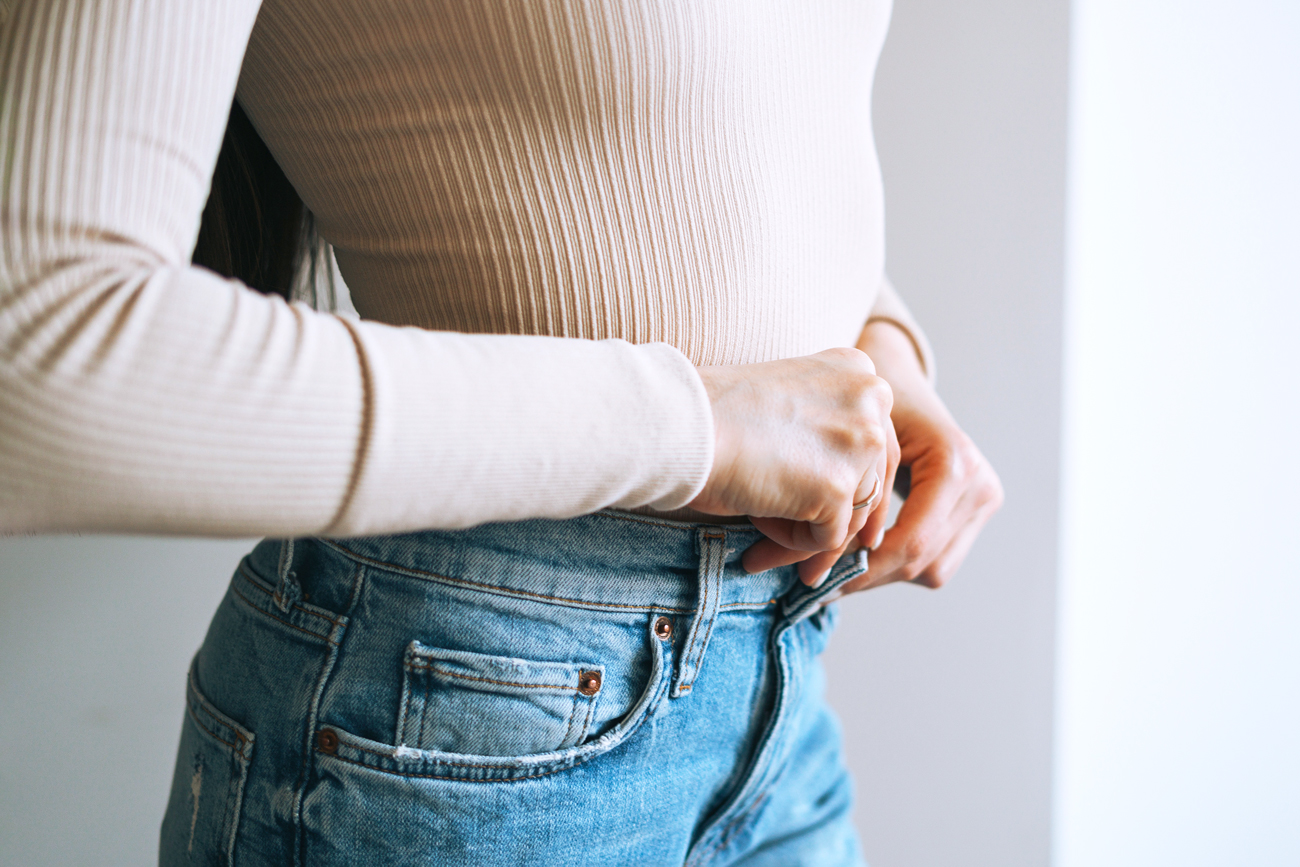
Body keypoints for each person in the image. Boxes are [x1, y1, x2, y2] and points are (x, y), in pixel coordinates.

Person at [0, 0, 1003, 863]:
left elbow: (704, 120)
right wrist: (696, 424)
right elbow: (37, 355)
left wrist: (878, 357)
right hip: (465, 714)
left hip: (774, 671)